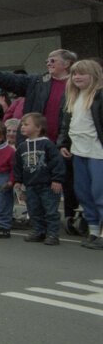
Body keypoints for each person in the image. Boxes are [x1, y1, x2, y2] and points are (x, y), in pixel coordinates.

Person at [0, 51, 78, 223]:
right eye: (47, 60)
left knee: (67, 182)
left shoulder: (76, 85)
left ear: (66, 64)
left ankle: (71, 218)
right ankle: (37, 222)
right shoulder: (38, 82)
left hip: (65, 143)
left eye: (52, 60)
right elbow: (12, 80)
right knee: (35, 185)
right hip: (36, 144)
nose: (48, 64)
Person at [57, 59, 103, 248]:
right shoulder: (72, 97)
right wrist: (63, 143)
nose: (77, 77)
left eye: (82, 73)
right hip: (78, 151)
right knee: (83, 192)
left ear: (94, 75)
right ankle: (93, 229)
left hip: (98, 152)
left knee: (99, 193)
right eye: (75, 74)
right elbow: (66, 124)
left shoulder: (99, 95)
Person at [9, 112, 66, 245]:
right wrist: (18, 180)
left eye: (26, 124)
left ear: (38, 128)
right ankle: (39, 231)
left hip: (47, 184)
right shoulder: (22, 146)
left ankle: (52, 234)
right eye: (22, 124)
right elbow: (18, 165)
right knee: (34, 209)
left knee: (50, 210)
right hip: (31, 184)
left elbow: (57, 163)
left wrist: (57, 179)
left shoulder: (48, 144)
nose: (22, 127)